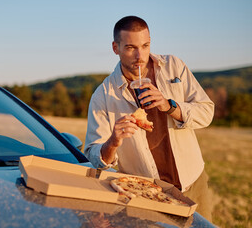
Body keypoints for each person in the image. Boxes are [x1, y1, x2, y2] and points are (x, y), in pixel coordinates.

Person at [84, 16, 214, 221]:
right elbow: (94, 155)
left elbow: (206, 112)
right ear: (115, 48)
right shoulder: (103, 95)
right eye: (130, 48)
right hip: (144, 195)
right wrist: (113, 142)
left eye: (145, 45)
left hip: (193, 183)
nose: (140, 55)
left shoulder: (174, 66)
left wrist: (169, 105)